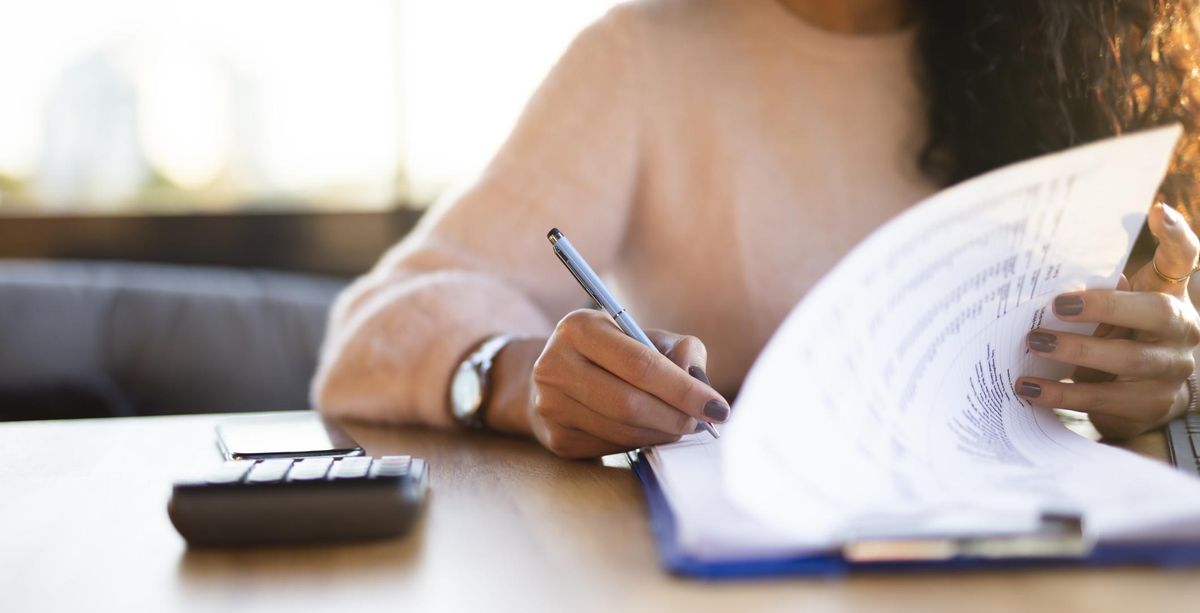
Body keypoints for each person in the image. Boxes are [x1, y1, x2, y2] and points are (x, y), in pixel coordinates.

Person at [313, 0, 1200, 457]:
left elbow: (1157, 342)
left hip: (1050, 588)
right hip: (752, 602)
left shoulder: (1099, 60)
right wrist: (513, 381)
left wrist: (1170, 382)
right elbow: (374, 330)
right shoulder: (647, 54)